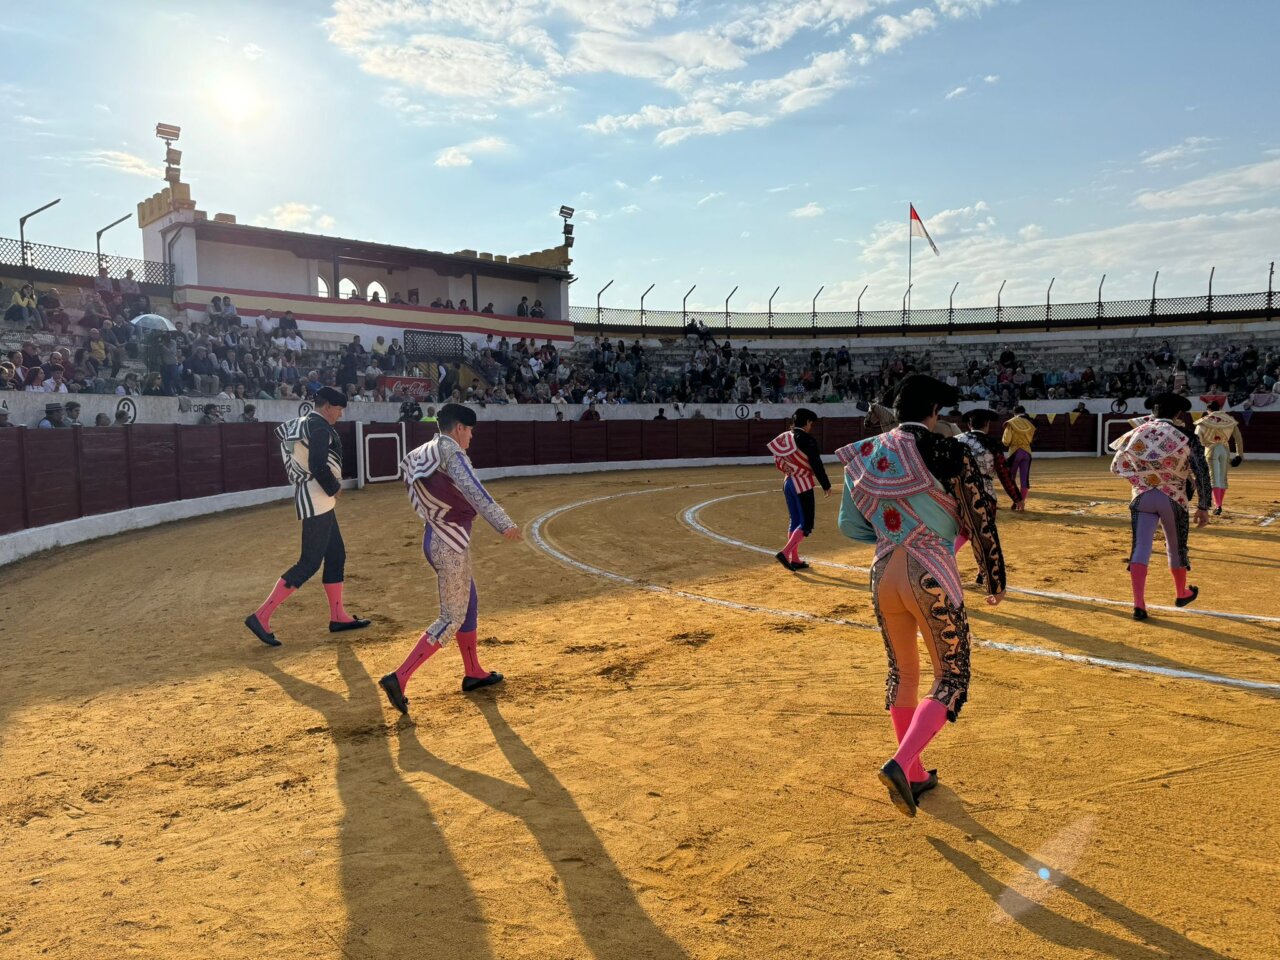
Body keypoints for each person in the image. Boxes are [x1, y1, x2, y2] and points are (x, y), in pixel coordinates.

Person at [836, 374, 1006, 818]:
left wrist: (894, 529)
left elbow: (849, 526)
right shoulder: (948, 450)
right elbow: (980, 515)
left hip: (882, 572)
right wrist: (992, 575)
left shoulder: (866, 453)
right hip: (930, 570)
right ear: (934, 412)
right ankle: (899, 762)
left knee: (903, 671)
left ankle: (912, 773)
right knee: (951, 674)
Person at [379, 403, 522, 714]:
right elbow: (473, 489)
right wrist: (504, 523)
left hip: (435, 534)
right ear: (459, 429)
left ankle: (473, 673)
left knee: (468, 603)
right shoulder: (451, 452)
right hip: (449, 542)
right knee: (451, 617)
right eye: (469, 431)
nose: (471, 437)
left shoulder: (426, 450)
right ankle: (399, 677)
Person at [244, 387, 370, 646]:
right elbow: (317, 464)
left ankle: (338, 616)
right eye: (338, 408)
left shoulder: (302, 423)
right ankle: (261, 615)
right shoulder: (320, 427)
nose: (340, 413)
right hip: (318, 496)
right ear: (327, 407)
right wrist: (334, 488)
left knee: (336, 555)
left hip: (312, 493)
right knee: (310, 561)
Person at [1109, 393, 1211, 620]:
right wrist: (1204, 505)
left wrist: (1142, 481)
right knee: (1176, 548)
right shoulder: (1185, 436)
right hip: (1173, 498)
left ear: (1153, 412)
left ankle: (1139, 604)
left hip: (1142, 497)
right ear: (1177, 414)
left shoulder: (1134, 434)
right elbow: (1201, 471)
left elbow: (1117, 466)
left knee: (1140, 548)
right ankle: (1181, 593)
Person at [767, 408, 832, 571]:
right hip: (802, 483)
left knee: (795, 520)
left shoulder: (784, 438)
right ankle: (785, 552)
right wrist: (826, 484)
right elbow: (816, 464)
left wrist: (790, 471)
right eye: (811, 423)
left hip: (788, 482)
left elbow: (778, 462)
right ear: (808, 422)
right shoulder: (807, 439)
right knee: (806, 524)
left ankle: (794, 559)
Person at [1194, 401, 1244, 515]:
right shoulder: (1229, 420)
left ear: (1208, 410)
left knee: (1214, 478)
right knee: (1222, 478)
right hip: (1225, 450)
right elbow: (1238, 438)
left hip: (1210, 450)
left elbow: (1197, 439)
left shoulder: (1204, 421)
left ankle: (1218, 506)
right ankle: (1219, 505)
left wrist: (1197, 455)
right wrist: (1239, 455)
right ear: (1220, 408)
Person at [1001, 405, 1036, 506]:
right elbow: (1031, 439)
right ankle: (1022, 502)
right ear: (1024, 412)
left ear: (1014, 412)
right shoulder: (1030, 423)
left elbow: (1006, 441)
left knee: (1010, 477)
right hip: (1027, 452)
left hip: (1014, 451)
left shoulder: (1011, 423)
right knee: (1024, 479)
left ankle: (1016, 500)